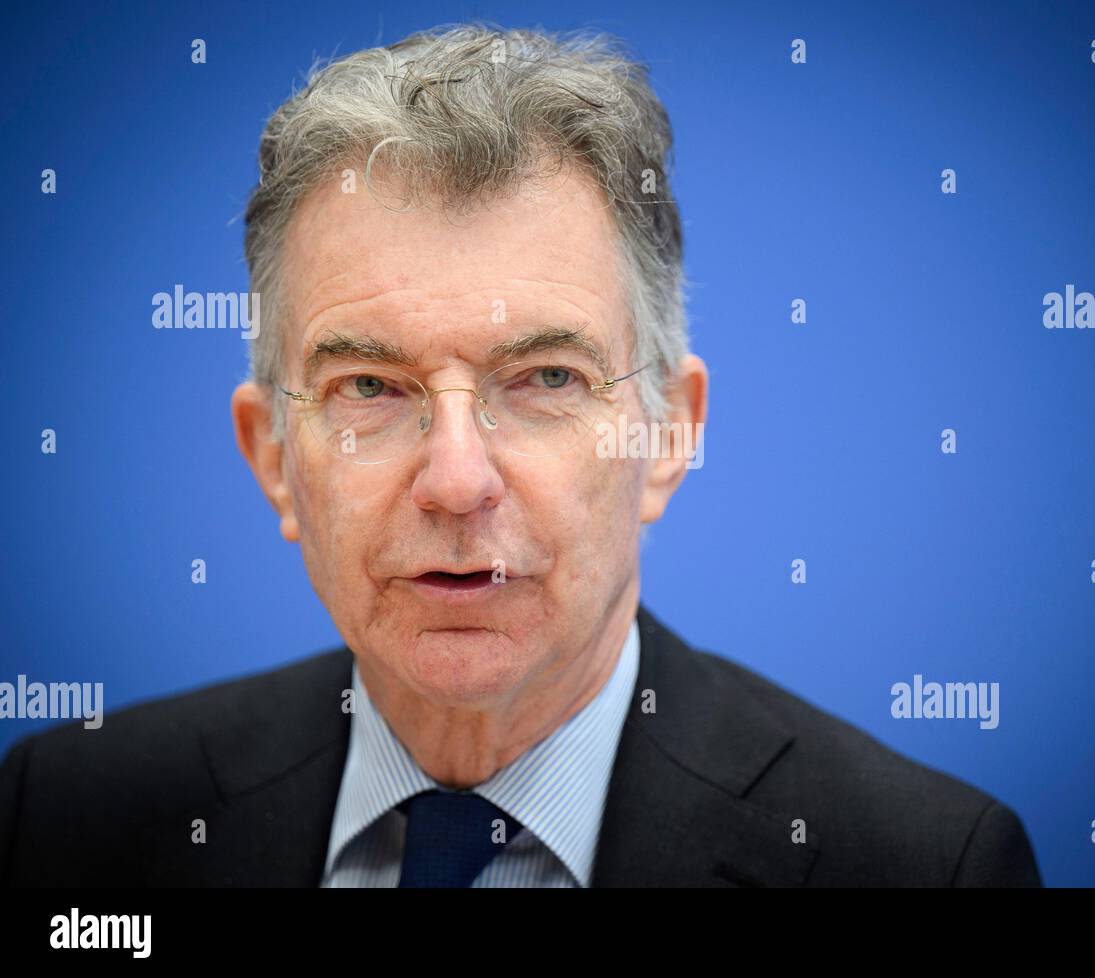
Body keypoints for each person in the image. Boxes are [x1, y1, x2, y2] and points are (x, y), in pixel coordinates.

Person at [0, 23, 1040, 887]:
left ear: (669, 434)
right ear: (272, 452)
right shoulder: (66, 816)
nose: (456, 481)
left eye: (545, 380)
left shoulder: (920, 864)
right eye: (370, 387)